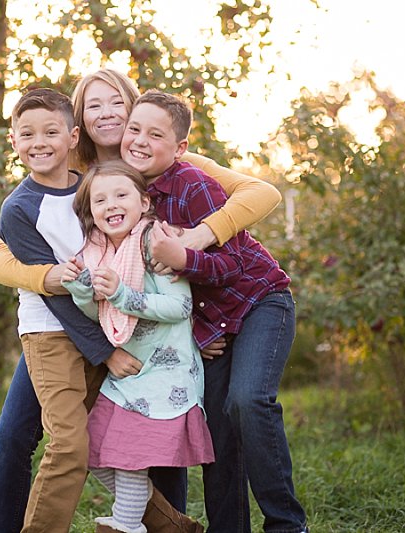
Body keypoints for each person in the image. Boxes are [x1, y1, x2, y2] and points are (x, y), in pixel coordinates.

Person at [0, 69, 283, 533]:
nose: (107, 114)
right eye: (93, 104)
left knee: (159, 429)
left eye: (116, 103)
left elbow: (261, 192)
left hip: (147, 323)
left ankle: (169, 526)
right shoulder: (69, 170)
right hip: (66, 320)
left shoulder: (167, 159)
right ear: (79, 119)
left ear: (133, 106)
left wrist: (198, 240)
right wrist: (49, 277)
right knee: (17, 433)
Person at [0, 86, 203, 533]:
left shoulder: (95, 188)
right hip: (54, 332)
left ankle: (171, 526)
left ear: (73, 137)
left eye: (51, 131)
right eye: (27, 134)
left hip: (109, 328)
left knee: (107, 442)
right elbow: (47, 287)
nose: (40, 142)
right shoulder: (18, 209)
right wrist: (104, 350)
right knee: (66, 445)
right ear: (12, 142)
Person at [121, 89, 309, 533]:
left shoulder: (194, 184)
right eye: (134, 129)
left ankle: (286, 525)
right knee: (216, 429)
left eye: (155, 134)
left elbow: (233, 265)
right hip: (212, 326)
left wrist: (185, 255)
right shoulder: (128, 195)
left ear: (181, 147)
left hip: (262, 301)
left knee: (247, 401)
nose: (140, 140)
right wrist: (195, 330)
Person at [62, 160, 214, 533]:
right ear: (90, 212)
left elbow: (180, 307)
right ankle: (172, 525)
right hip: (129, 375)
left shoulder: (155, 242)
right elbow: (101, 311)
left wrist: (122, 293)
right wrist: (82, 286)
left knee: (128, 462)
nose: (110, 204)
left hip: (163, 376)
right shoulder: (98, 251)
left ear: (144, 203)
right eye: (100, 200)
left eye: (120, 195)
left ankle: (126, 525)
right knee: (92, 452)